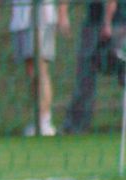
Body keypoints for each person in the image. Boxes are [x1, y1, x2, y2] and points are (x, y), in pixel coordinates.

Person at [11, 0, 70, 136]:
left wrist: (62, 14)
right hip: (20, 19)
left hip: (41, 18)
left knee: (40, 68)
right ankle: (38, 118)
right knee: (31, 70)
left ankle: (44, 120)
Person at [62, 2, 120, 132]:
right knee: (85, 75)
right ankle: (76, 126)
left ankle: (75, 126)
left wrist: (107, 21)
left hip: (116, 24)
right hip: (94, 22)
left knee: (87, 74)